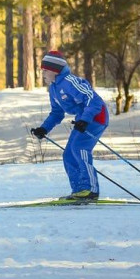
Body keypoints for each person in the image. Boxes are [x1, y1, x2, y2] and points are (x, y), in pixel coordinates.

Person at [30, 51, 109, 200]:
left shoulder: (69, 82)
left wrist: (85, 120)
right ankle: (79, 191)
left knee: (79, 148)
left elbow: (93, 100)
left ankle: (90, 190)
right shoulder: (53, 89)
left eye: (45, 70)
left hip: (96, 117)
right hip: (83, 118)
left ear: (54, 70)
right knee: (68, 154)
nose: (43, 74)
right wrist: (44, 128)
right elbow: (57, 113)